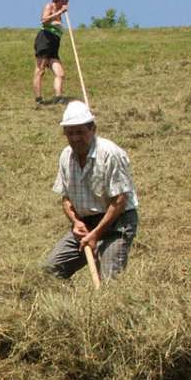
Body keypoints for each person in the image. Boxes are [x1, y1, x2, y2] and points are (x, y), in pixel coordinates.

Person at [44, 100, 139, 281]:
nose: (75, 138)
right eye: (70, 133)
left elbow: (120, 201)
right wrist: (75, 222)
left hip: (116, 223)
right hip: (85, 225)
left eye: (80, 132)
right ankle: (66, 307)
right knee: (51, 270)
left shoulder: (110, 154)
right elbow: (65, 198)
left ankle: (108, 307)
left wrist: (97, 234)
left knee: (109, 281)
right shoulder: (66, 156)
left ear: (93, 129)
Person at [33, 0, 70, 106]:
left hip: (54, 45)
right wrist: (59, 13)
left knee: (60, 74)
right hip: (45, 40)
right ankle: (39, 99)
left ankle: (58, 97)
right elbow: (44, 20)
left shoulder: (61, 11)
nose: (66, 2)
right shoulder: (50, 6)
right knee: (40, 70)